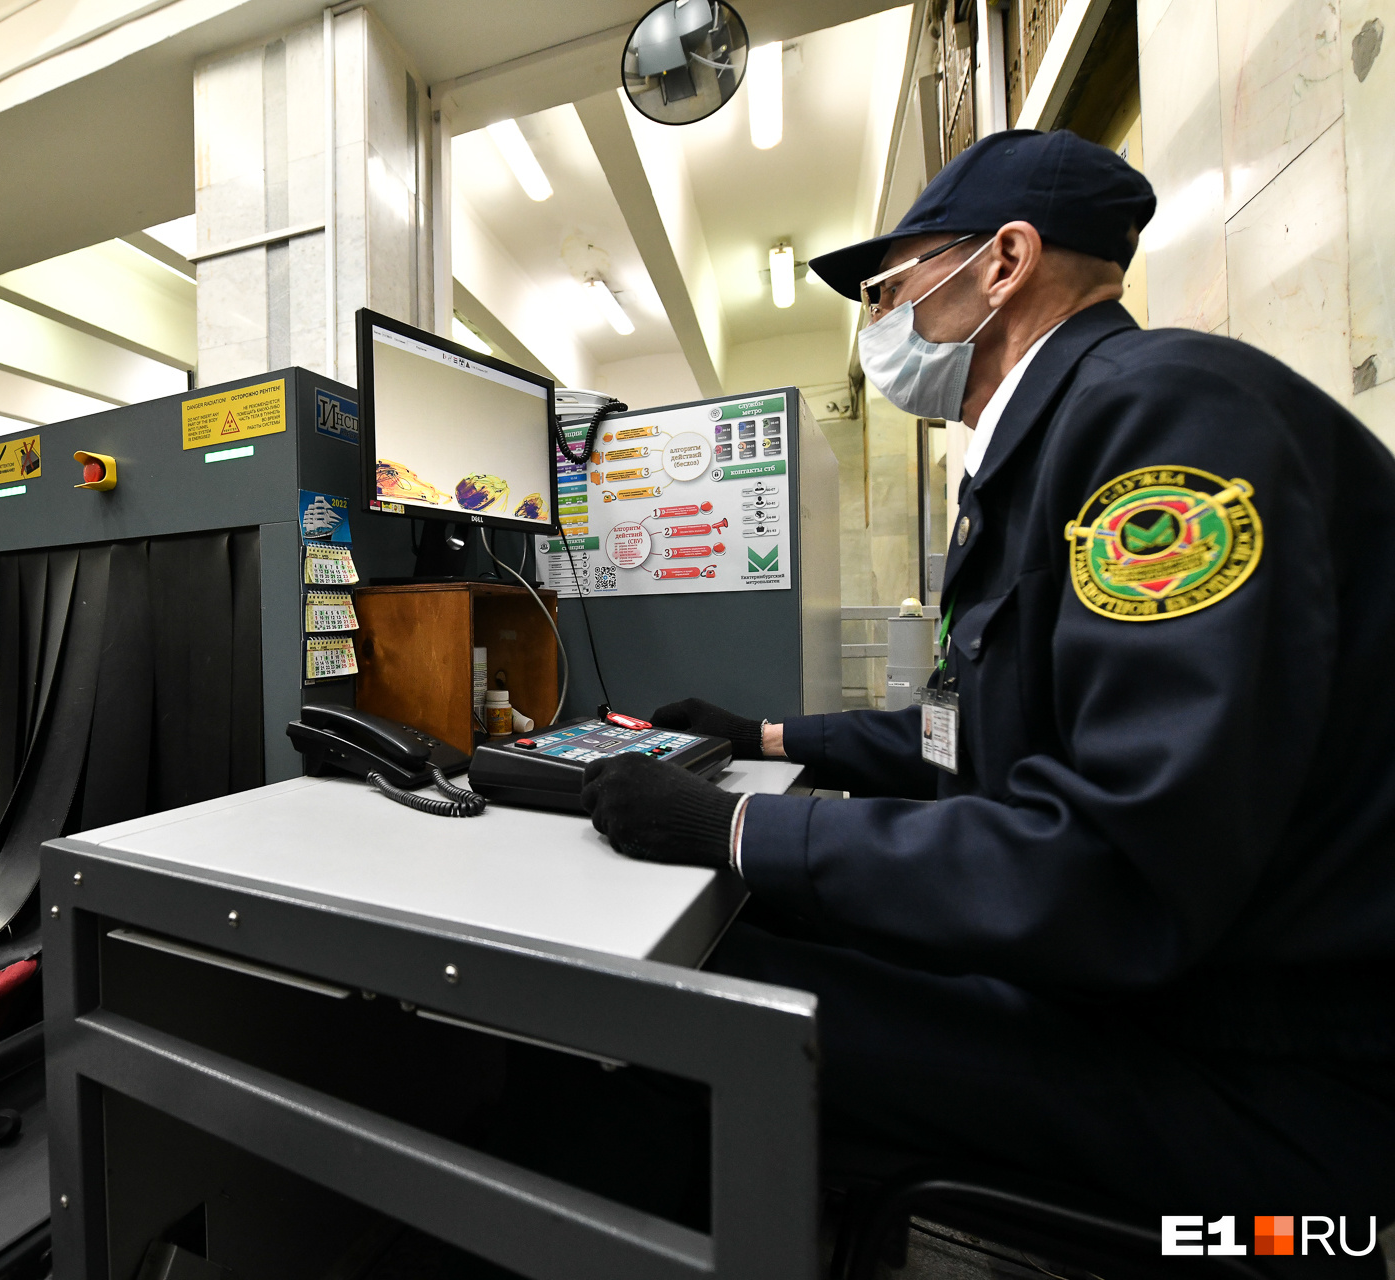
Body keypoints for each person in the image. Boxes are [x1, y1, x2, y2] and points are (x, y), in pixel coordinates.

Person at [580, 129, 1395, 1247]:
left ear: (1004, 262)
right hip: (1144, 985)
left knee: (701, 1001)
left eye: (889, 288)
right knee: (759, 930)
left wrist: (738, 829)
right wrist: (760, 732)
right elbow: (960, 738)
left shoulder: (1161, 421)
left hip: (1262, 1079)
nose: (880, 324)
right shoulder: (1052, 448)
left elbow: (1114, 866)